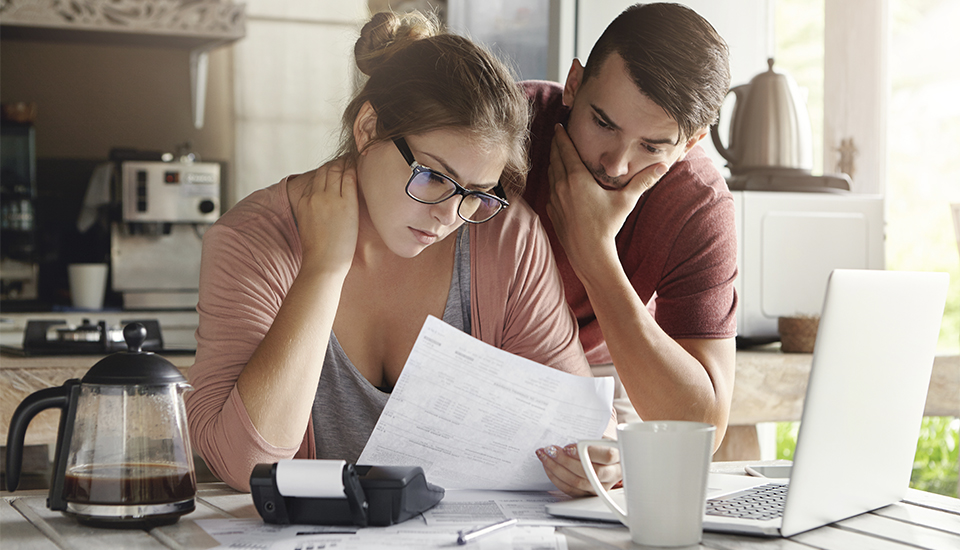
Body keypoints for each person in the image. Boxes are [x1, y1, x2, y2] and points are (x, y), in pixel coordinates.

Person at [185, 11, 618, 495]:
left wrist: (597, 461)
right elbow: (246, 464)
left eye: (475, 192)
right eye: (433, 176)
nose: (448, 215)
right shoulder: (252, 241)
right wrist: (324, 269)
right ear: (368, 128)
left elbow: (578, 428)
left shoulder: (506, 236)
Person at [527, 3, 738, 493]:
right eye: (603, 123)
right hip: (469, 347)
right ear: (575, 84)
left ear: (690, 142)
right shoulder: (504, 127)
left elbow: (701, 431)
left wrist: (595, 256)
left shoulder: (698, 203)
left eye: (653, 146)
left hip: (605, 364)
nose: (617, 165)